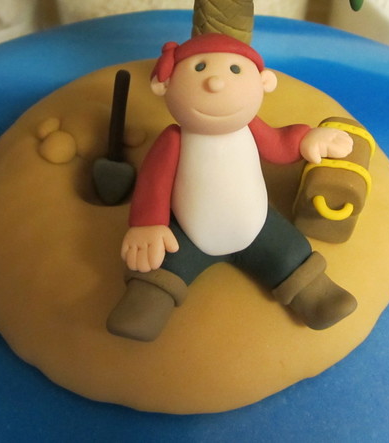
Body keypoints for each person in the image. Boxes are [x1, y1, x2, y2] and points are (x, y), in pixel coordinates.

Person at [107, 33, 358, 341]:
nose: (215, 82)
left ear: (264, 82)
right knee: (161, 261)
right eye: (200, 68)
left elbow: (279, 145)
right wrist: (147, 224)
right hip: (189, 231)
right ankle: (145, 308)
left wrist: (308, 139)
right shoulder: (174, 140)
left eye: (235, 70)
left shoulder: (250, 127)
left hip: (258, 225)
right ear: (166, 85)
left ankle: (319, 298)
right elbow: (153, 182)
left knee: (290, 250)